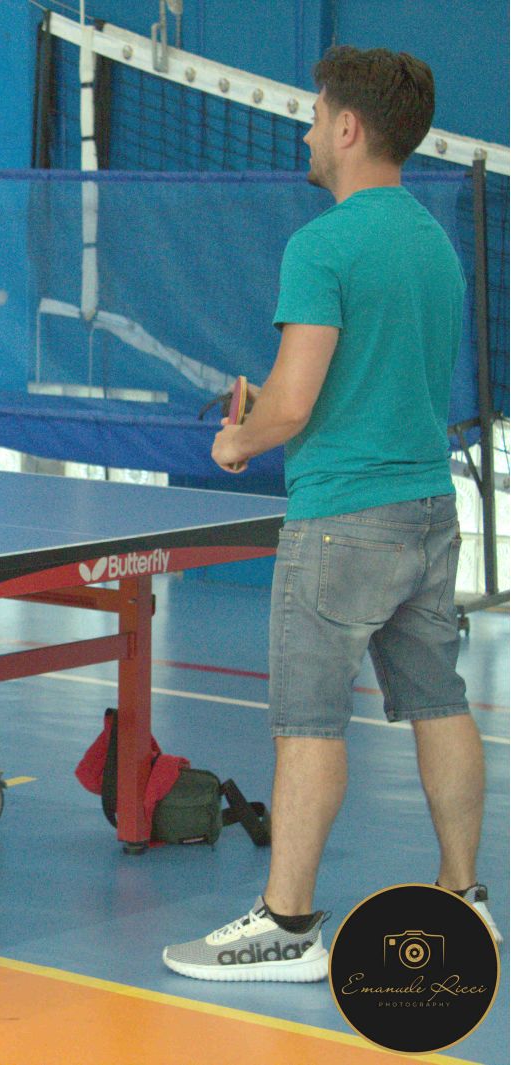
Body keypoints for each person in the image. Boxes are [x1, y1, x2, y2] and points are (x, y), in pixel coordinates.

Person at [163, 46, 500, 984]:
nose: (307, 133)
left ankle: (286, 926)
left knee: (307, 723)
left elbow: (294, 402)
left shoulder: (320, 247)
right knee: (440, 703)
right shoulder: (434, 242)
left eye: (315, 117)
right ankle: (465, 894)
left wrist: (239, 441)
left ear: (348, 128)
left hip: (342, 521)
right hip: (429, 512)